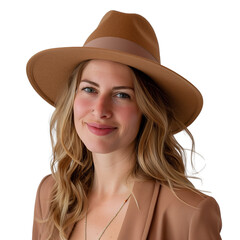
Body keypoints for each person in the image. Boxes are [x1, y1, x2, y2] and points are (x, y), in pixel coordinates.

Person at [27, 10, 222, 240]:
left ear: (147, 110)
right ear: (72, 99)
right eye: (89, 89)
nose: (100, 110)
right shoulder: (51, 195)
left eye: (121, 95)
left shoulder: (188, 214)